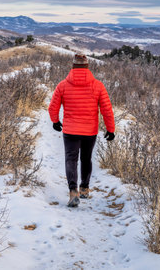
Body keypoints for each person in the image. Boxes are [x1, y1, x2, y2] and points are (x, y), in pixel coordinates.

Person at [48, 53, 115, 207]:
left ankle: (73, 192)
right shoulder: (98, 85)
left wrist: (55, 121)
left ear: (73, 66)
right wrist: (110, 129)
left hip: (70, 130)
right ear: (87, 67)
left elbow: (53, 107)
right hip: (89, 131)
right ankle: (84, 189)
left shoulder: (63, 85)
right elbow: (107, 109)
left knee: (71, 159)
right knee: (86, 158)